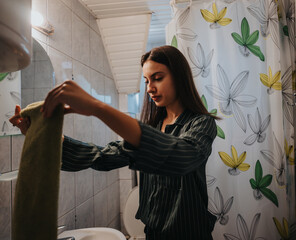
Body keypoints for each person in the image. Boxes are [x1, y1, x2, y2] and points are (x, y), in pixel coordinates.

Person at [10, 45, 219, 240]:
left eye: (157, 78)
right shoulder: (154, 127)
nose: (150, 88)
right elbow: (102, 157)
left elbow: (180, 157)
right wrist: (47, 137)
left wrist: (97, 107)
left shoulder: (201, 124)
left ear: (179, 78)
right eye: (146, 81)